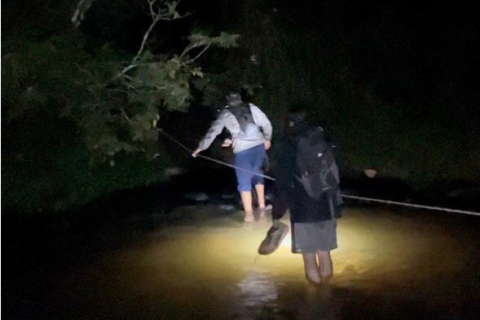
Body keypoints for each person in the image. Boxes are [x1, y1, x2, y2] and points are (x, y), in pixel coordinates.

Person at [258, 110, 342, 284]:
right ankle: (328, 297)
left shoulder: (288, 145)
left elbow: (282, 185)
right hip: (326, 205)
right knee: (325, 254)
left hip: (303, 208)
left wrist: (277, 214)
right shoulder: (321, 140)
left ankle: (314, 302)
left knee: (309, 258)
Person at [192, 91, 273, 222]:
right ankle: (262, 207)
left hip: (243, 151)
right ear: (240, 99)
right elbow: (266, 124)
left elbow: (213, 132)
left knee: (244, 182)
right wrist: (267, 139)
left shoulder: (225, 113)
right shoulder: (251, 107)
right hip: (259, 147)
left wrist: (200, 148)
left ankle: (249, 215)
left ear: (228, 101)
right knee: (258, 173)